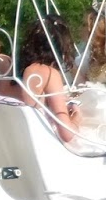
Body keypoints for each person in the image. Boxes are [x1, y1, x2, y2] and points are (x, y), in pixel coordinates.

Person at [17, 15, 80, 143]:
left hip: (20, 139)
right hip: (43, 143)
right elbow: (67, 134)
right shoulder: (49, 73)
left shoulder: (16, 71)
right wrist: (77, 118)